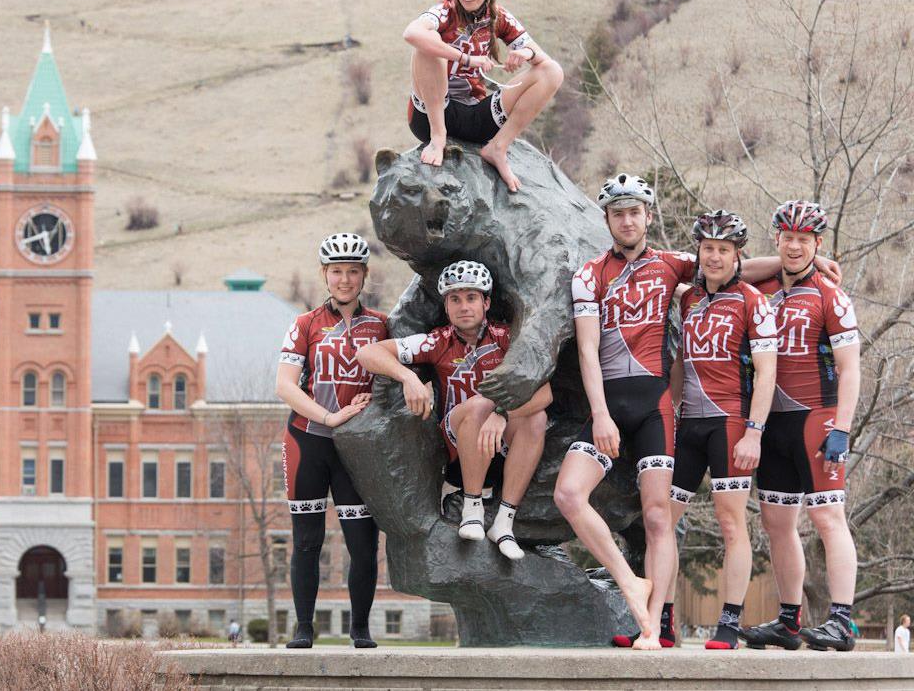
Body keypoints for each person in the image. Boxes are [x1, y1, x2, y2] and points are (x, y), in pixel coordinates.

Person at [556, 174, 838, 650]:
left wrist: (807, 261)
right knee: (572, 496)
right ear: (606, 219)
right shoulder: (592, 274)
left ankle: (663, 625)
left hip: (662, 410)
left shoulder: (672, 265)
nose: (627, 220)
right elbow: (587, 351)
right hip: (616, 408)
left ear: (648, 217)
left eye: (635, 212)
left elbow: (733, 266)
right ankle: (637, 591)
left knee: (664, 519)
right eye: (617, 213)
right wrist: (599, 413)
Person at [357, 260, 551, 559]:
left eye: (471, 298)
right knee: (477, 405)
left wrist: (502, 412)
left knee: (535, 417)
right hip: (460, 443)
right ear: (446, 307)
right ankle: (471, 507)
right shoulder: (438, 341)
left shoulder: (506, 338)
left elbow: (544, 392)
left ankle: (504, 522)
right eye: (455, 299)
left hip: (501, 442)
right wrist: (408, 377)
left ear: (486, 302)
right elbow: (367, 352)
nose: (464, 306)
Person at [740, 200, 860, 652]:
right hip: (771, 422)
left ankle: (842, 621)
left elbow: (851, 368)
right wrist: (785, 260)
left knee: (828, 517)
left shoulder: (831, 294)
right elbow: (731, 266)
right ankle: (789, 622)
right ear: (777, 239)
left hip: (817, 418)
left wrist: (842, 428)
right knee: (776, 522)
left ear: (818, 243)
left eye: (804, 240)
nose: (794, 247)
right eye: (787, 238)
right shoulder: (762, 284)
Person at [665, 211, 778, 649]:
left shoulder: (753, 301)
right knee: (663, 522)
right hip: (687, 424)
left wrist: (754, 433)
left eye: (723, 250)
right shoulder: (687, 298)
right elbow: (678, 363)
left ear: (737, 256)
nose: (714, 257)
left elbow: (767, 374)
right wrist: (668, 412)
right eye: (707, 248)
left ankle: (729, 623)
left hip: (730, 424)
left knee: (731, 525)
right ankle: (661, 620)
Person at [275, 232, 388, 649]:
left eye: (353, 271)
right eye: (337, 271)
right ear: (325, 275)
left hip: (356, 449)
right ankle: (304, 628)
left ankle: (360, 629)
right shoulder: (305, 324)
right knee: (307, 541)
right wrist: (329, 416)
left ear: (364, 275)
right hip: (309, 441)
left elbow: (390, 382)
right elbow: (284, 386)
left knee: (363, 543)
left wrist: (372, 400)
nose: (345, 279)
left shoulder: (381, 325)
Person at [403, 0, 564, 193]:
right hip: (430, 114)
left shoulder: (498, 17)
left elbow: (542, 59)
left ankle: (498, 148)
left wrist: (525, 52)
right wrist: (465, 58)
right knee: (427, 45)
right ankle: (438, 139)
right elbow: (411, 33)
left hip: (475, 117)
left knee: (552, 71)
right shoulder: (445, 11)